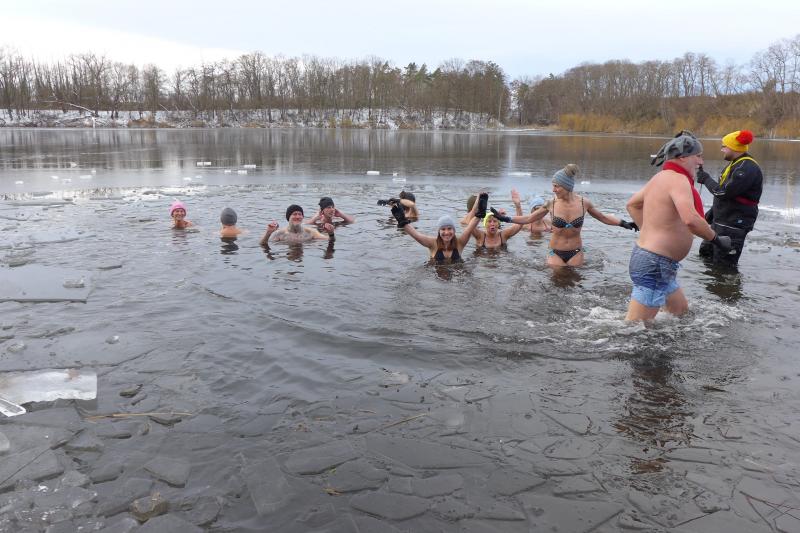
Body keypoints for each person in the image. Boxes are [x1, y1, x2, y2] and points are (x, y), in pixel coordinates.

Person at [624, 131, 733, 321]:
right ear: (682, 157)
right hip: (655, 263)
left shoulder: (662, 177)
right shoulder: (678, 180)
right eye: (698, 156)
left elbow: (632, 204)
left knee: (680, 312)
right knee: (634, 329)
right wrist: (716, 239)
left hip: (657, 261)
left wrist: (651, 231)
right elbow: (690, 219)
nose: (701, 162)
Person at [491, 164, 638, 266]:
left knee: (574, 284)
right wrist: (506, 218)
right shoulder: (551, 203)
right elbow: (529, 218)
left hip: (576, 251)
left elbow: (603, 217)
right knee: (557, 280)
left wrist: (623, 223)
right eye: (553, 186)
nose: (553, 190)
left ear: (566, 187)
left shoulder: (584, 203)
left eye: (556, 186)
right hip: (555, 252)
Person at [696, 130, 763, 267]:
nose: (722, 149)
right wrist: (711, 214)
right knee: (705, 254)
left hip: (734, 225)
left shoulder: (747, 168)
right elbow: (727, 196)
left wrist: (706, 179)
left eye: (724, 146)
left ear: (734, 147)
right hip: (720, 222)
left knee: (724, 266)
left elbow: (724, 192)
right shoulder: (735, 164)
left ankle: (728, 280)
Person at [391, 193, 482, 264]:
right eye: (443, 229)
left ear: (454, 230)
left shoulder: (460, 242)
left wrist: (480, 211)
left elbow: (470, 227)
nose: (447, 232)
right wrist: (402, 221)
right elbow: (416, 235)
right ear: (439, 231)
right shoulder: (432, 243)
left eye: (449, 228)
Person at [260, 204, 334, 245]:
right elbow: (263, 244)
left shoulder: (311, 232)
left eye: (300, 214)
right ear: (288, 217)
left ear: (302, 217)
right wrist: (268, 233)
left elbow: (330, 240)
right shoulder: (280, 234)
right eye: (294, 214)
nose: (298, 217)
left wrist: (331, 233)